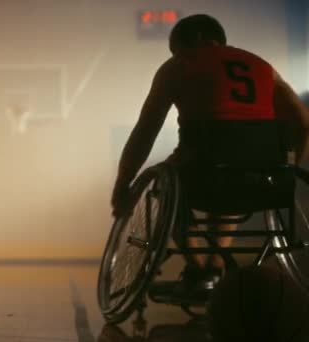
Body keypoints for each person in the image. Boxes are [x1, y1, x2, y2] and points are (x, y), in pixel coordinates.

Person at [111, 14, 309, 299]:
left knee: (169, 184)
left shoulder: (180, 64)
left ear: (195, 40)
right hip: (260, 177)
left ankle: (200, 268)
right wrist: (288, 168)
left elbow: (147, 129)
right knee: (231, 174)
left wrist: (124, 181)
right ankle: (216, 266)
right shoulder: (264, 68)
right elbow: (303, 122)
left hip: (203, 169)